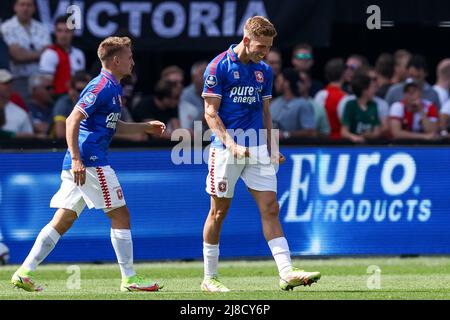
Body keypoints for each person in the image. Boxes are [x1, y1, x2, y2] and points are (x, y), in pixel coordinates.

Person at [11, 36, 166, 292]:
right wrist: (76, 159)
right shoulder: (101, 86)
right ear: (116, 60)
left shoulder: (113, 87)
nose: (133, 62)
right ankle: (129, 278)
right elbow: (72, 120)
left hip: (83, 162)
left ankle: (24, 272)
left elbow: (113, 125)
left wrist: (144, 127)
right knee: (120, 214)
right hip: (90, 161)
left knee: (64, 218)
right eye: (129, 57)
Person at [200, 16, 321, 293]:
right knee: (218, 213)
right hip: (225, 149)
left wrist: (272, 146)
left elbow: (265, 112)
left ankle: (287, 272)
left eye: (268, 47)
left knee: (271, 207)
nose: (264, 52)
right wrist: (230, 144)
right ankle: (209, 278)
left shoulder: (264, 71)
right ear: (246, 40)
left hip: (255, 148)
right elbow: (210, 113)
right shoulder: (218, 66)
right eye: (260, 46)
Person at [0, 0, 51, 104]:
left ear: (34, 8)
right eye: (22, 4)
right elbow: (17, 56)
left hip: (39, 80)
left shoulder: (42, 28)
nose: (25, 8)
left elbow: (48, 53)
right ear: (15, 7)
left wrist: (25, 54)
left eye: (29, 5)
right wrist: (38, 53)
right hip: (18, 78)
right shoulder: (6, 28)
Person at [39, 15, 86, 98]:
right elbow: (46, 87)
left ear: (73, 33)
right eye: (60, 31)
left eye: (67, 31)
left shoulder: (79, 54)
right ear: (55, 32)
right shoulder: (49, 54)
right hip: (58, 98)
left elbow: (81, 81)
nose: (63, 35)